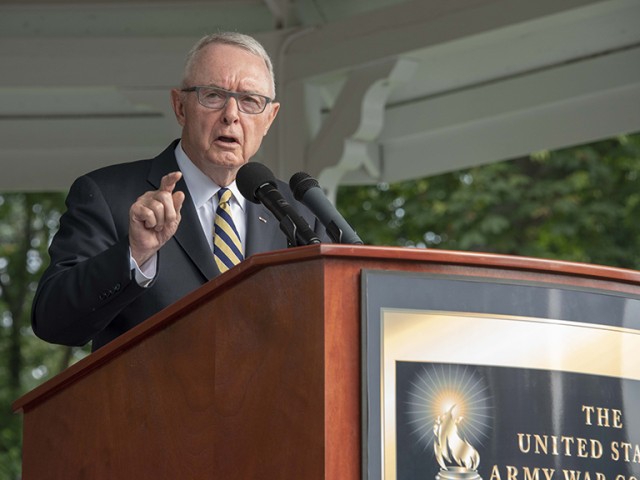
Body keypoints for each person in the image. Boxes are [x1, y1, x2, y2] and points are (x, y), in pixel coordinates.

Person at [31, 32, 327, 351]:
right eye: (213, 95)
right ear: (180, 106)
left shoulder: (299, 211)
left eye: (250, 101)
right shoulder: (108, 194)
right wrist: (134, 253)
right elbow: (53, 321)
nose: (231, 115)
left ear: (269, 118)